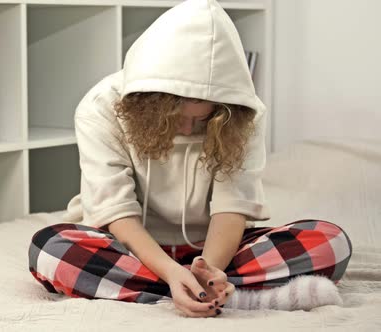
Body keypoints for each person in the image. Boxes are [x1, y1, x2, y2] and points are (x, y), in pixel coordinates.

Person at [28, 0, 352, 318]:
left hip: (215, 251)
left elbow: (231, 209)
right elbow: (116, 212)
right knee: (50, 249)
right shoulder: (100, 106)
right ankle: (216, 294)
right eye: (175, 117)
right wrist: (171, 272)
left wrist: (208, 274)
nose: (186, 128)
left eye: (200, 120)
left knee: (329, 243)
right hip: (128, 247)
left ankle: (183, 292)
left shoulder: (244, 113)